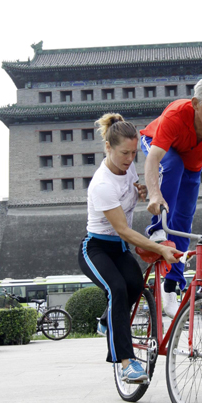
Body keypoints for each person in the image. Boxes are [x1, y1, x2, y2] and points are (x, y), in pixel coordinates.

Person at [78, 113, 181, 383]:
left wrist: (142, 191)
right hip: (96, 248)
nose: (129, 159)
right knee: (117, 289)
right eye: (124, 153)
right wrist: (160, 250)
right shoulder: (102, 184)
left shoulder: (128, 168)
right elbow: (123, 229)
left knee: (136, 287)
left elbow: (132, 189)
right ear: (108, 148)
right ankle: (126, 363)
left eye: (133, 153)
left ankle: (105, 321)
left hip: (119, 248)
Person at [140, 76, 202, 318]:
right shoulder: (177, 114)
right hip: (159, 146)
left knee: (185, 217)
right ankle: (156, 229)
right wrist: (154, 194)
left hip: (192, 165)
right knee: (172, 165)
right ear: (196, 103)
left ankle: (172, 283)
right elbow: (153, 159)